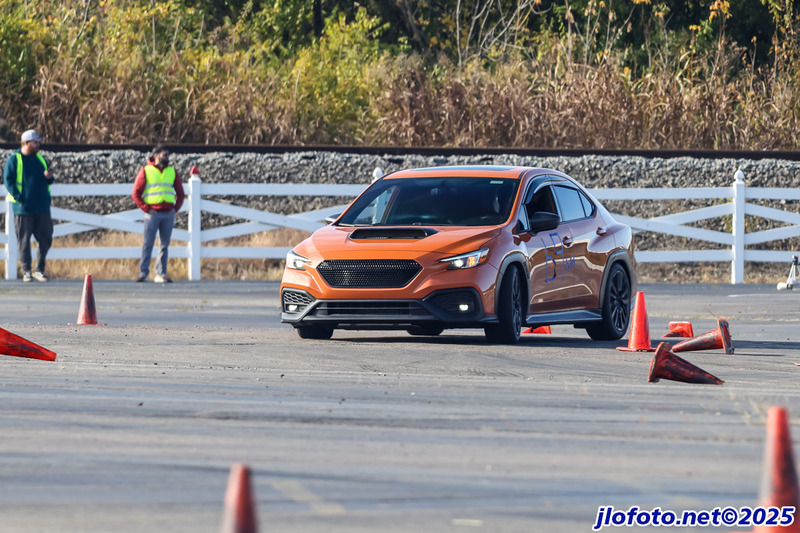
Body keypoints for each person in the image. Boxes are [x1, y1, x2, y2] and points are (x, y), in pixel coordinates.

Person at [3, 129, 54, 282]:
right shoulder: (15, 160)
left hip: (42, 207)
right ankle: (26, 271)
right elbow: (8, 180)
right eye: (35, 142)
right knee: (24, 241)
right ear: (26, 143)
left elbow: (49, 180)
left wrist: (49, 177)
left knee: (46, 238)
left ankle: (39, 269)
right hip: (23, 208)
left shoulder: (41, 159)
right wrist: (19, 198)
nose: (38, 145)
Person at [132, 145, 185, 283]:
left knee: (164, 245)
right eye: (164, 154)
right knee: (148, 243)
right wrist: (146, 208)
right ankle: (143, 272)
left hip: (168, 214)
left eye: (168, 154)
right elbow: (136, 193)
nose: (167, 157)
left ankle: (161, 272)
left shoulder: (171, 171)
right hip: (153, 214)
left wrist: (175, 208)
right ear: (156, 155)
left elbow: (180, 193)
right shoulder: (146, 171)